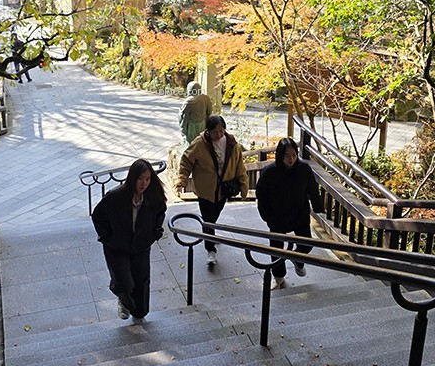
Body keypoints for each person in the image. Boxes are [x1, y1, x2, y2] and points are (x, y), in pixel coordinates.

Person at [92, 159, 167, 321]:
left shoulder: (153, 197)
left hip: (141, 245)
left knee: (141, 281)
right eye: (140, 178)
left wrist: (155, 233)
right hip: (117, 246)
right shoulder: (115, 197)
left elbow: (160, 212)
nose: (144, 183)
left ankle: (139, 312)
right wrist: (107, 238)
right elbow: (98, 216)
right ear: (133, 177)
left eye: (147, 179)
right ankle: (124, 300)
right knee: (123, 281)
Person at [175, 114, 249, 269]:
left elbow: (239, 166)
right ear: (208, 131)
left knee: (213, 217)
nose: (219, 134)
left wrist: (244, 185)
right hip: (205, 190)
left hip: (223, 190)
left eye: (221, 130)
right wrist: (182, 180)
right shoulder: (200, 144)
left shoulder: (231, 143)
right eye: (215, 131)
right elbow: (186, 161)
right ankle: (210, 250)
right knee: (208, 219)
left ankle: (210, 234)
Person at [255, 137, 323, 290]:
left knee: (307, 243)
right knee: (276, 248)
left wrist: (318, 207)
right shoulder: (270, 171)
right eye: (287, 156)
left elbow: (312, 189)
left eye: (294, 155)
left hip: (299, 213)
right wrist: (267, 216)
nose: (291, 159)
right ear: (280, 155)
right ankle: (278, 276)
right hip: (277, 215)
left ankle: (297, 259)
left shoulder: (304, 169)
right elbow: (261, 194)